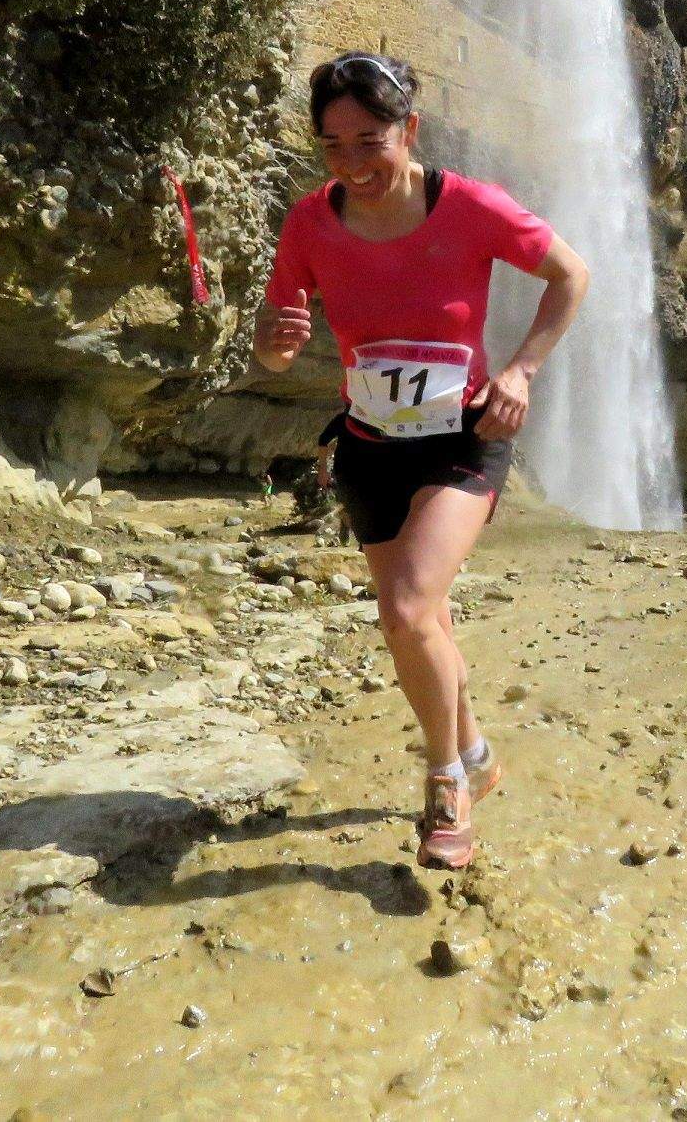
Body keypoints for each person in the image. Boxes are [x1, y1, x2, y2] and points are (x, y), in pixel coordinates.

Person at [253, 50, 590, 869]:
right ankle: (472, 746)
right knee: (423, 621)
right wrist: (271, 341)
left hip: (462, 438)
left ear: (410, 128)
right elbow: (272, 343)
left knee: (405, 607)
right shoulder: (308, 221)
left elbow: (570, 274)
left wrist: (520, 369)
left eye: (370, 140)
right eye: (333, 145)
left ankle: (446, 782)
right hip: (368, 446)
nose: (352, 163)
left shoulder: (469, 206)